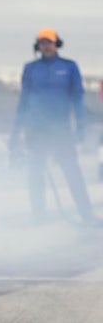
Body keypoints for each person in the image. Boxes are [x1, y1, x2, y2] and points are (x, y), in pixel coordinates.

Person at [11, 29, 97, 224]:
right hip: (36, 131)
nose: (46, 46)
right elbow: (23, 102)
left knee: (72, 172)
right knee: (36, 174)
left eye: (49, 42)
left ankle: (86, 214)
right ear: (37, 46)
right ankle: (39, 216)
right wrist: (16, 132)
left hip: (61, 131)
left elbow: (78, 99)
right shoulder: (31, 68)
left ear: (57, 44)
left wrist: (80, 127)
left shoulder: (69, 67)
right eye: (42, 43)